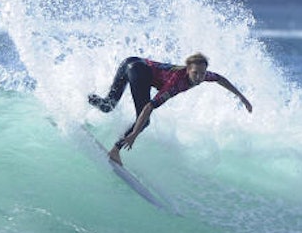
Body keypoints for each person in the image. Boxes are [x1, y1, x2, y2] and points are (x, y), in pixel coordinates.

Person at [87, 53, 252, 165]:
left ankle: (85, 97)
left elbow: (220, 79)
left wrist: (242, 97)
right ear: (188, 70)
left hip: (130, 61)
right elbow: (148, 108)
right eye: (196, 73)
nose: (200, 77)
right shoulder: (176, 84)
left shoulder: (202, 76)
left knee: (108, 106)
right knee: (143, 122)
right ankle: (115, 150)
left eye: (202, 73)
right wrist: (134, 135)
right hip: (137, 70)